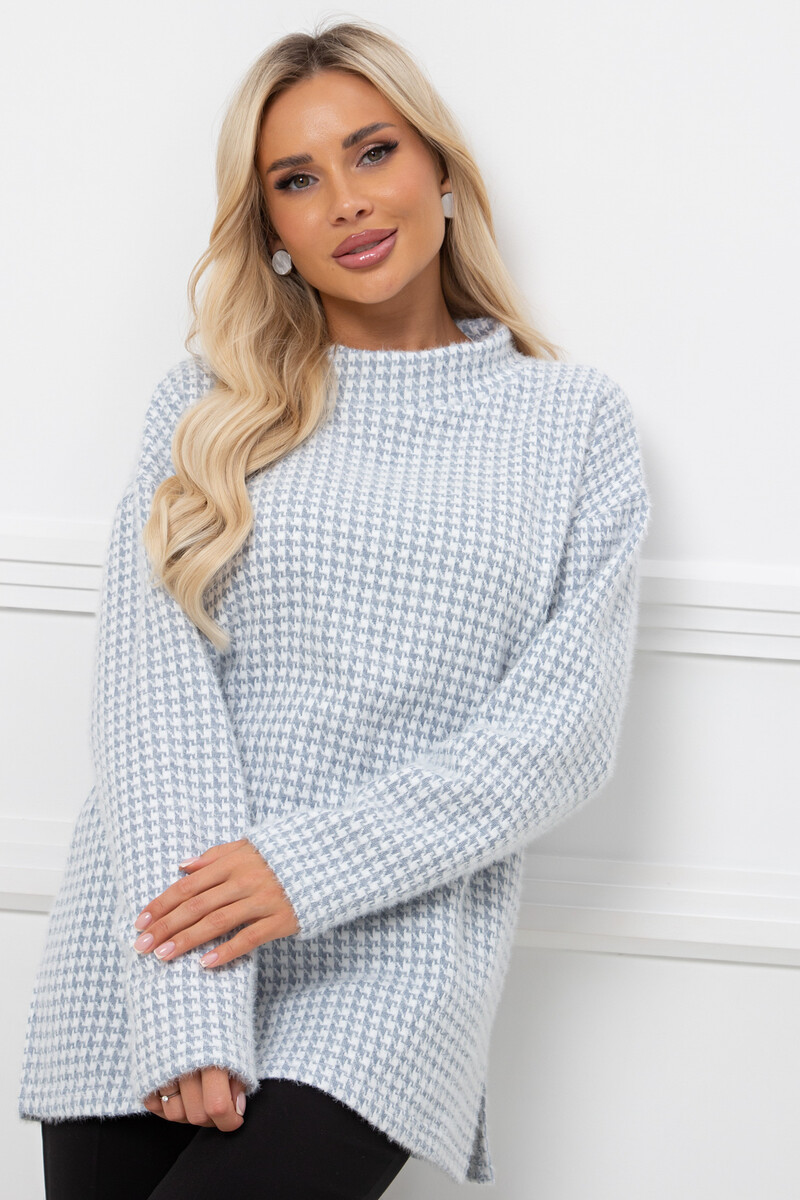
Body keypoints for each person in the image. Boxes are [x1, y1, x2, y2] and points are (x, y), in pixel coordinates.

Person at [17, 15, 652, 1198]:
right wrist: (188, 999)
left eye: (373, 152)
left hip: (392, 959)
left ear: (440, 169)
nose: (347, 201)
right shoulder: (204, 412)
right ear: (268, 229)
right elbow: (153, 707)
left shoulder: (571, 427)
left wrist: (300, 869)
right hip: (155, 947)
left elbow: (557, 739)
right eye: (296, 180)